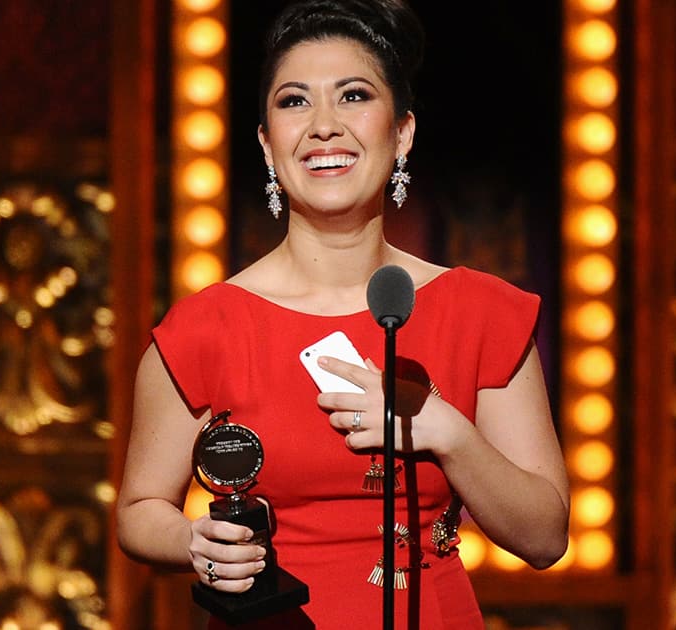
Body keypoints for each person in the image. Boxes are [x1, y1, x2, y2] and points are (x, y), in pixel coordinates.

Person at [116, 0, 570, 627]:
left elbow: (545, 538)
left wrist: (448, 433)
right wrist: (195, 543)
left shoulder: (480, 312)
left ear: (403, 132)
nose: (323, 125)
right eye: (294, 101)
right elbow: (140, 509)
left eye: (353, 96)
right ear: (266, 142)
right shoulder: (206, 327)